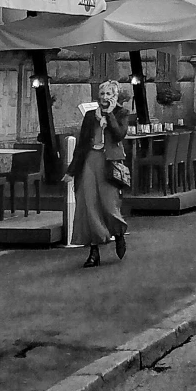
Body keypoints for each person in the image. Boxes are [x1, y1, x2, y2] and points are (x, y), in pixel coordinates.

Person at [70, 77, 128, 267]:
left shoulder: (121, 113)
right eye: (102, 94)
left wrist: (110, 115)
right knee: (89, 204)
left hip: (108, 163)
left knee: (109, 204)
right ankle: (94, 251)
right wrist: (71, 170)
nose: (104, 97)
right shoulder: (89, 116)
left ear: (115, 96)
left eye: (108, 94)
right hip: (90, 161)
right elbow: (81, 144)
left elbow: (120, 134)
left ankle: (118, 233)